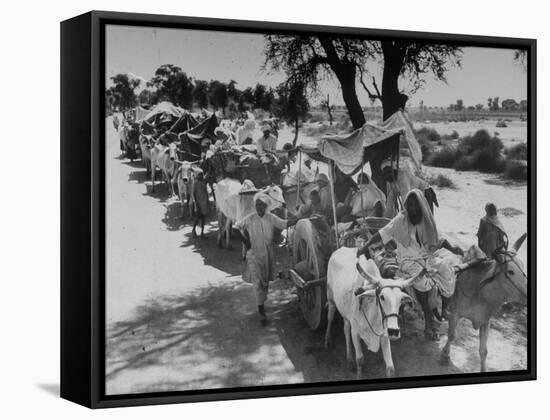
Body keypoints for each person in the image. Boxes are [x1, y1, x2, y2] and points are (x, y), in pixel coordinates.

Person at [357, 189, 463, 313]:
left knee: (447, 270)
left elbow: (437, 239)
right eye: (410, 205)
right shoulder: (400, 220)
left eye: (416, 205)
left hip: (426, 257)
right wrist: (366, 246)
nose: (413, 208)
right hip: (407, 260)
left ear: (421, 205)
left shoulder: (426, 220)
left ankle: (444, 309)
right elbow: (383, 233)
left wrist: (453, 249)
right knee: (421, 281)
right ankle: (428, 317)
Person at [234, 193, 297, 325]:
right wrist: (246, 242)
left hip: (268, 254)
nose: (259, 208)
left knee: (265, 280)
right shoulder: (250, 218)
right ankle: (261, 310)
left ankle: (261, 300)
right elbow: (236, 227)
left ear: (266, 207)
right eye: (257, 205)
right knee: (258, 282)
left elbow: (284, 223)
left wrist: (297, 219)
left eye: (261, 205)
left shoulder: (271, 218)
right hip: (254, 254)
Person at [192, 169, 209, 238]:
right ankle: (193, 230)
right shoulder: (195, 183)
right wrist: (196, 204)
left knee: (203, 218)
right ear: (197, 176)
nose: (201, 176)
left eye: (202, 174)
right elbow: (194, 193)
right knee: (198, 217)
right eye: (199, 175)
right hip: (198, 203)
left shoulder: (204, 181)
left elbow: (207, 175)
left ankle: (202, 232)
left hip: (204, 202)